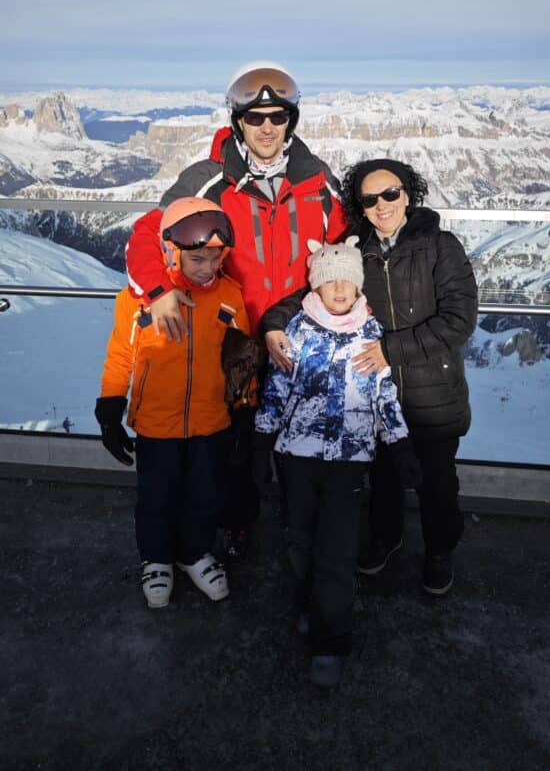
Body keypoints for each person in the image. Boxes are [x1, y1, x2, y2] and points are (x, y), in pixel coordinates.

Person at [125, 62, 347, 555]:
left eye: (277, 116)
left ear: (292, 120)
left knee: (301, 443)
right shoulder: (209, 180)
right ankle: (236, 526)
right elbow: (147, 234)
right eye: (255, 118)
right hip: (231, 340)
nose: (267, 127)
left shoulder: (318, 182)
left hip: (298, 335)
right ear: (237, 121)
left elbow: (345, 251)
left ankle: (302, 531)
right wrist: (159, 289)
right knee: (235, 448)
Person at [261, 159, 478, 597]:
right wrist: (273, 323)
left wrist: (388, 350)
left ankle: (438, 551)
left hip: (432, 393)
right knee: (381, 478)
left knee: (437, 482)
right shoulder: (354, 249)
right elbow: (313, 294)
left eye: (391, 194)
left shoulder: (440, 246)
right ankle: (385, 537)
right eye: (369, 199)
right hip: (370, 392)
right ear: (359, 205)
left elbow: (460, 319)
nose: (382, 206)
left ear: (408, 194)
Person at [253, 237, 420, 687]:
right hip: (298, 456)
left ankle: (331, 638)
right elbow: (276, 389)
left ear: (359, 286)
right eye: (331, 282)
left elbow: (384, 394)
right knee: (299, 538)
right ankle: (309, 605)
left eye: (348, 281)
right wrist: (261, 441)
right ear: (316, 286)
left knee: (337, 548)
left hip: (349, 458)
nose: (341, 290)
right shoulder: (298, 331)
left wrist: (399, 443)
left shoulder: (371, 333)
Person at [95, 198, 257, 609]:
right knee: (156, 497)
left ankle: (194, 554)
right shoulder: (138, 301)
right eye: (197, 258)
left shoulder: (228, 296)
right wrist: (111, 405)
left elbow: (242, 360)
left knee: (204, 495)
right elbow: (121, 355)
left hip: (210, 420)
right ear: (171, 251)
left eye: (215, 258)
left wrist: (243, 409)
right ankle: (157, 558)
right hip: (156, 422)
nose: (207, 268)